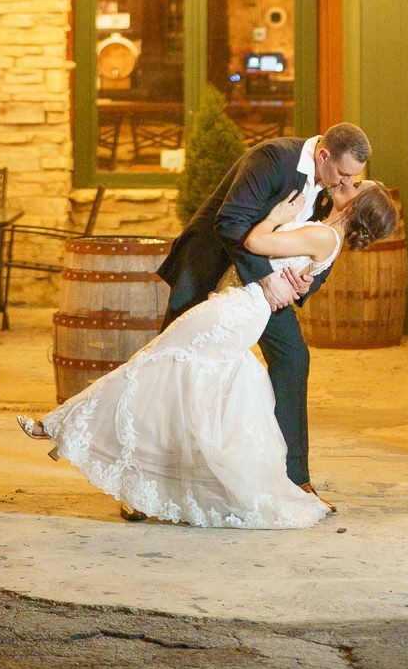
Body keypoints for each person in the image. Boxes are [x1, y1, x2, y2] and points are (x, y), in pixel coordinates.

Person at [18, 176, 398, 528]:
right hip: (236, 307)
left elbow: (254, 244)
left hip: (235, 311)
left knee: (152, 366)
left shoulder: (321, 235)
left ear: (356, 206)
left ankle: (59, 425)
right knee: (181, 386)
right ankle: (145, 476)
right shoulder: (325, 236)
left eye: (356, 184)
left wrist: (275, 216)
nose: (347, 181)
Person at [159, 122, 374, 498]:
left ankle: (292, 479)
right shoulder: (273, 158)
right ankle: (148, 484)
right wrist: (265, 280)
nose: (345, 185)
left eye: (354, 178)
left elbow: (325, 241)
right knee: (174, 369)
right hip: (209, 270)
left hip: (260, 291)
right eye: (343, 174)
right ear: (324, 155)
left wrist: (307, 282)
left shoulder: (332, 186)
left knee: (293, 357)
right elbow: (230, 222)